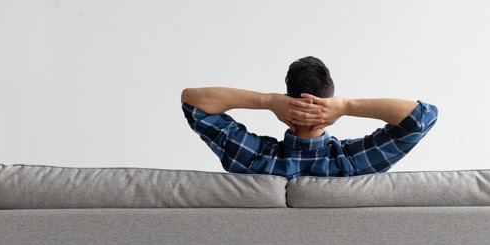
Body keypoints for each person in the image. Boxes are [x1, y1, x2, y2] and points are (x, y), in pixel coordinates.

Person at [181, 56, 438, 179]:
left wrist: (267, 101)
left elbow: (193, 103)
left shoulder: (255, 159)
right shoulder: (351, 163)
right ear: (331, 99)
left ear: (287, 98)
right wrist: (346, 106)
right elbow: (422, 117)